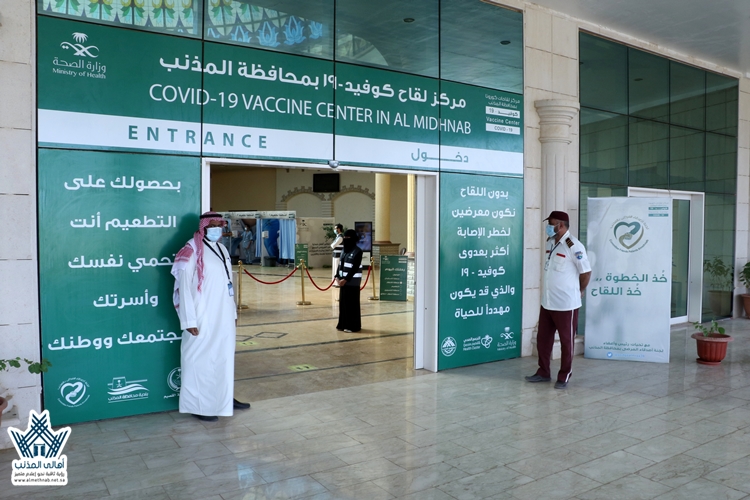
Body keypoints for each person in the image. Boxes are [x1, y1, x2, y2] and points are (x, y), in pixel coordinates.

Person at [170, 211, 251, 422]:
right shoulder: (191, 250)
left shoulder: (221, 248)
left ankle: (224, 399)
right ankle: (198, 405)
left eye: (219, 225)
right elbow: (183, 288)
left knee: (223, 357)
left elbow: (227, 284)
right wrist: (188, 320)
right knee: (199, 359)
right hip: (201, 315)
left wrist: (232, 312)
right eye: (212, 225)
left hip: (223, 314)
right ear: (203, 227)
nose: (216, 229)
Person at [526, 211, 591, 389]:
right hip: (548, 302)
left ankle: (564, 376)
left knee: (566, 342)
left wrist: (580, 290)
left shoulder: (574, 246)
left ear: (561, 225)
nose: (548, 227)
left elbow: (586, 272)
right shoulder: (550, 242)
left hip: (566, 304)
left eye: (551, 224)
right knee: (543, 340)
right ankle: (543, 372)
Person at [336, 229, 363, 333]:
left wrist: (346, 279)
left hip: (352, 283)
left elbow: (355, 267)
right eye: (345, 237)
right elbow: (340, 265)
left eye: (348, 237)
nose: (346, 239)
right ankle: (343, 324)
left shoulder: (358, 251)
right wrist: (337, 277)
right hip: (343, 282)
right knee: (343, 305)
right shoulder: (344, 250)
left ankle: (353, 326)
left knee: (352, 305)